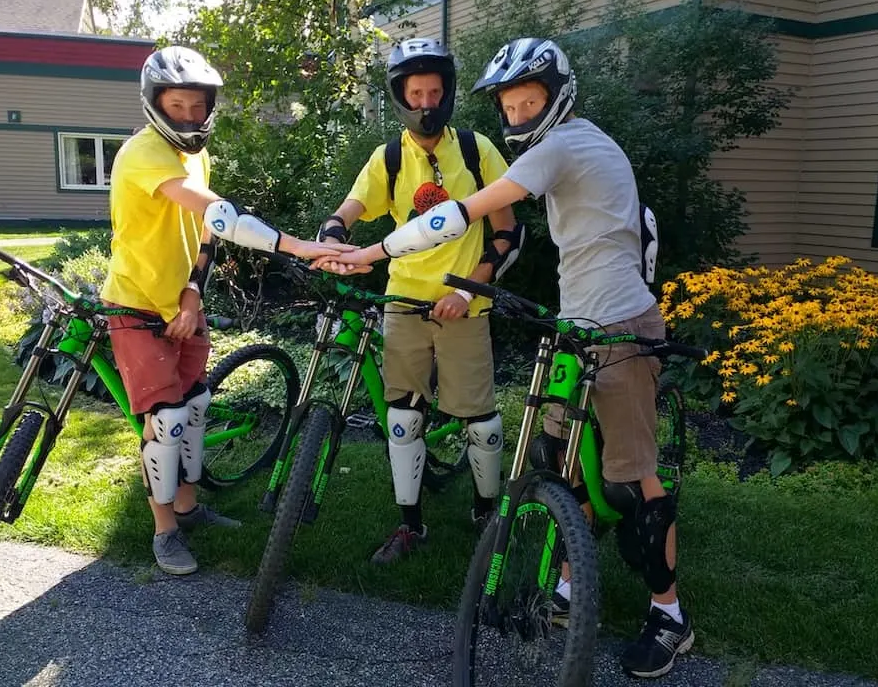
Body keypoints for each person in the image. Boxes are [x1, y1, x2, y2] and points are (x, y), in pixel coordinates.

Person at [317, 38, 692, 678]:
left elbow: (463, 215)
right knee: (560, 464)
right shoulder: (561, 146)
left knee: (635, 478)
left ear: (557, 96)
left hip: (620, 325)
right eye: (510, 105)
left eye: (529, 100)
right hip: (574, 323)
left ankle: (669, 614)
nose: (518, 114)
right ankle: (571, 586)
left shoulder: (568, 144)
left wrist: (369, 255)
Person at [101, 45, 352, 576]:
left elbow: (205, 235)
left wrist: (193, 294)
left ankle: (189, 510)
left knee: (193, 408)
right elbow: (222, 216)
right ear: (155, 103)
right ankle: (164, 532)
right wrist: (302, 247)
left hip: (181, 306)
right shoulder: (145, 154)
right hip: (136, 304)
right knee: (166, 422)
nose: (190, 117)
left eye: (198, 106)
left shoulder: (196, 156)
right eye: (178, 106)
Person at [316, 37, 523, 564]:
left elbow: (507, 235)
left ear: (448, 94)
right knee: (403, 416)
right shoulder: (388, 158)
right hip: (404, 301)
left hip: (464, 305)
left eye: (435, 91)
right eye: (417, 93)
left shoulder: (477, 151)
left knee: (480, 420)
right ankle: (410, 524)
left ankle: (486, 509)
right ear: (401, 99)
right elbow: (354, 207)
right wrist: (334, 231)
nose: (427, 103)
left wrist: (464, 289)